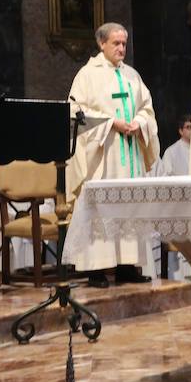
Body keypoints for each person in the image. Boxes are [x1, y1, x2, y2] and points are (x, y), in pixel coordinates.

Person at [66, 22, 160, 287]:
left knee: (131, 206)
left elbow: (147, 108)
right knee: (102, 208)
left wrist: (139, 123)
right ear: (102, 44)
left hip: (130, 152)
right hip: (104, 153)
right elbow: (75, 113)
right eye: (116, 43)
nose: (121, 48)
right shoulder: (87, 75)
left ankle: (127, 266)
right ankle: (96, 269)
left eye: (124, 43)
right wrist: (111, 123)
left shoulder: (132, 75)